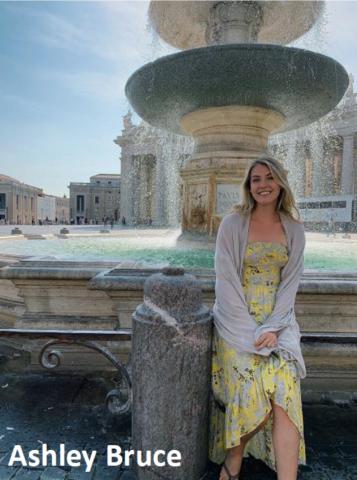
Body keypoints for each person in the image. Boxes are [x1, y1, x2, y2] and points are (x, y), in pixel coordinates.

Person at [209, 156, 306, 480]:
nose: (263, 185)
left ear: (280, 183)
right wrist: (252, 331)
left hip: (279, 325)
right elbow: (225, 281)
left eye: (269, 178)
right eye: (256, 180)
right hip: (235, 321)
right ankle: (232, 463)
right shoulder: (233, 224)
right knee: (251, 387)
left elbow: (290, 283)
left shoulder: (293, 228)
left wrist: (275, 329)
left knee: (285, 388)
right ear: (248, 187)